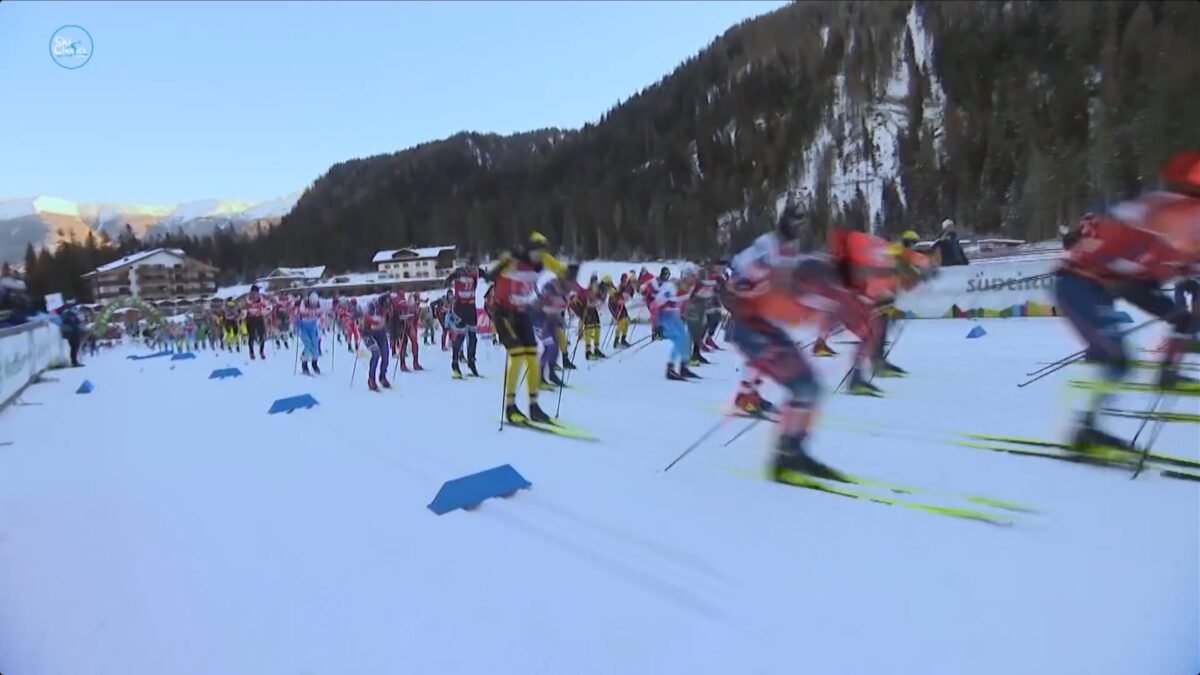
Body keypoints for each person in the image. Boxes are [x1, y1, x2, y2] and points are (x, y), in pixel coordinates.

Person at [1054, 149, 1200, 452]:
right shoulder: (1166, 218)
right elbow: (1134, 276)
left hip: (1109, 283)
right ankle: (1086, 430)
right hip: (1079, 283)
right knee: (1119, 360)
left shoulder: (1177, 221)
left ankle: (1165, 373)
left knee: (1179, 320)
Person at [724, 203, 864, 481]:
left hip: (765, 326)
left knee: (809, 387)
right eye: (794, 221)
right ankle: (785, 453)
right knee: (804, 386)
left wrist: (824, 311)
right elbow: (739, 272)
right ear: (783, 221)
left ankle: (790, 450)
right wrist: (746, 290)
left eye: (801, 222)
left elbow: (795, 294)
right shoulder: (767, 245)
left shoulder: (793, 252)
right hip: (750, 326)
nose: (798, 226)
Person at [487, 231, 573, 424]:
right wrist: (506, 260)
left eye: (543, 251)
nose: (540, 255)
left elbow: (561, 269)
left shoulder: (542, 261)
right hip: (503, 313)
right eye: (537, 251)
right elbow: (491, 275)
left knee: (533, 357)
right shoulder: (515, 261)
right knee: (517, 355)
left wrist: (568, 272)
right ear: (528, 249)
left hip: (522, 313)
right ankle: (510, 406)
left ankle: (534, 406)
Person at [654, 264, 698, 380]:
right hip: (664, 315)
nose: (695, 279)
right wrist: (656, 326)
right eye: (693, 276)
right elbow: (656, 304)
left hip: (675, 315)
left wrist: (683, 315)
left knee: (687, 337)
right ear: (686, 276)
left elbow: (682, 303)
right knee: (679, 338)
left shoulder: (689, 289)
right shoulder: (671, 287)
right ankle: (670, 368)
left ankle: (683, 367)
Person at [452, 263, 484, 376]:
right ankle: (455, 363)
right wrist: (448, 280)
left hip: (471, 307)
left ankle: (471, 361)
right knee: (460, 337)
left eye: (473, 266)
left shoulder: (477, 272)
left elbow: (489, 275)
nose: (472, 269)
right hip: (460, 307)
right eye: (470, 266)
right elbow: (449, 279)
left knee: (473, 338)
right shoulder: (459, 271)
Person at [362, 294, 391, 391]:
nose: (386, 310)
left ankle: (382, 376)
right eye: (385, 308)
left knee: (385, 354)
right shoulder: (372, 306)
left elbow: (386, 320)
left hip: (380, 332)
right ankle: (371, 379)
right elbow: (366, 318)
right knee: (376, 353)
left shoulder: (387, 308)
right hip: (368, 333)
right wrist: (376, 323)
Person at [297, 292, 323, 375]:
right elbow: (301, 312)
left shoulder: (319, 304)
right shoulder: (304, 303)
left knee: (315, 345)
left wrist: (323, 318)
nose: (313, 304)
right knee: (307, 344)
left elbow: (322, 313)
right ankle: (304, 364)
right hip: (303, 327)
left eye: (315, 303)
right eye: (312, 302)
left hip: (313, 327)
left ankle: (314, 363)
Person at [244, 285, 268, 360]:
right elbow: (246, 309)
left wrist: (264, 310)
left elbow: (265, 307)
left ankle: (261, 352)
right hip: (251, 319)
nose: (254, 294)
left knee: (262, 335)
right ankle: (251, 352)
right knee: (252, 336)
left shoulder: (261, 299)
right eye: (253, 292)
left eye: (256, 292)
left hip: (259, 318)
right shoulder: (247, 299)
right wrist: (254, 311)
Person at [60, 301, 84, 367]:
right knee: (74, 347)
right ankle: (74, 362)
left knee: (75, 347)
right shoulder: (68, 314)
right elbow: (72, 322)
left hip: (75, 332)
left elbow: (78, 321)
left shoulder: (73, 314)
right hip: (72, 333)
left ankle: (75, 361)